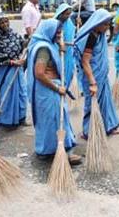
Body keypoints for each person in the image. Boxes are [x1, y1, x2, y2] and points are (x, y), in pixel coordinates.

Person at [26, 19, 81, 165]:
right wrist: (57, 88)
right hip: (48, 90)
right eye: (57, 32)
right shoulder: (43, 49)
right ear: (49, 31)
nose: (59, 34)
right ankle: (62, 151)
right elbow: (39, 73)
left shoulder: (47, 45)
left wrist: (60, 47)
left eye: (60, 31)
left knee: (48, 121)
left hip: (44, 91)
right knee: (57, 120)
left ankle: (45, 150)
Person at [74, 9, 119, 139]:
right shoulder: (91, 37)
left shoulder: (99, 35)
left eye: (108, 24)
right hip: (93, 76)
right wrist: (92, 82)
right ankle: (88, 131)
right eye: (105, 24)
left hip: (101, 75)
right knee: (92, 104)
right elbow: (85, 61)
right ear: (98, 23)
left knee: (105, 100)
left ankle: (108, 125)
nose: (107, 27)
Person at [0, 13, 28, 127]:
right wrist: (12, 62)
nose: (5, 24)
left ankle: (21, 118)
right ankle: (5, 120)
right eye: (2, 23)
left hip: (17, 69)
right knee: (8, 95)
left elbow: (21, 44)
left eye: (6, 21)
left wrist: (28, 41)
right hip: (5, 70)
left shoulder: (13, 33)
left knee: (22, 93)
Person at [54, 3, 75, 89]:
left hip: (68, 53)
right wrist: (61, 44)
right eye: (66, 14)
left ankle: (65, 90)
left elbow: (73, 33)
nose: (68, 16)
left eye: (69, 14)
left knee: (69, 73)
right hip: (58, 52)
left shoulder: (69, 22)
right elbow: (53, 38)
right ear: (60, 13)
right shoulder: (54, 23)